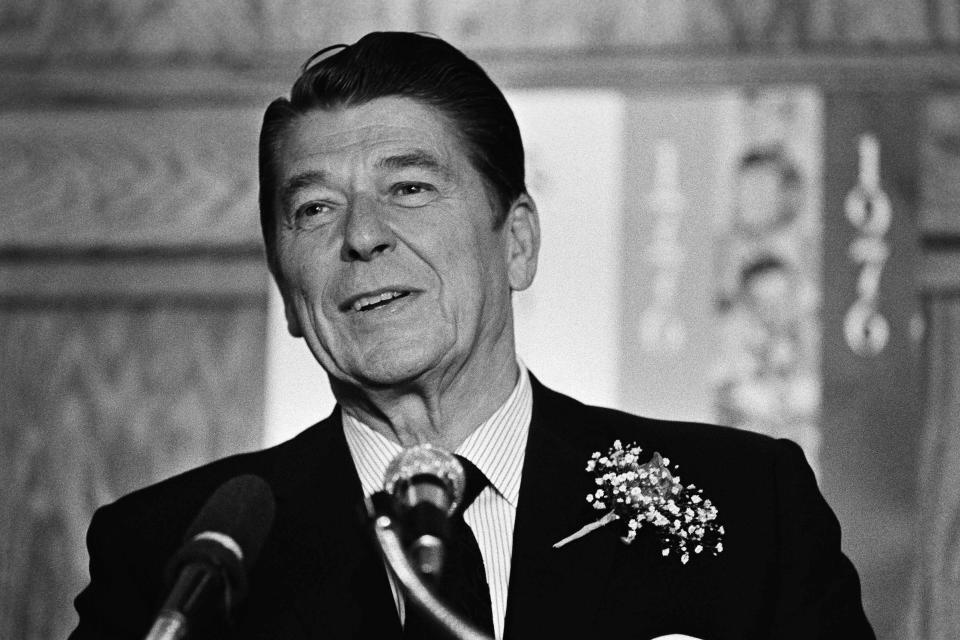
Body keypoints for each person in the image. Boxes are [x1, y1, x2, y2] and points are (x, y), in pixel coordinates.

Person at [70, 32, 874, 640]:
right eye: (314, 208)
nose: (363, 237)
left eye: (410, 187)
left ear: (517, 241)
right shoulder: (176, 561)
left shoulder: (746, 506)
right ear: (286, 291)